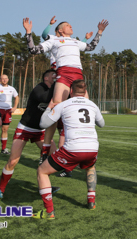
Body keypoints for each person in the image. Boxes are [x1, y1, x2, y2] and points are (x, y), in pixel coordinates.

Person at [23, 17, 108, 161]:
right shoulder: (54, 40)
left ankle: (85, 146)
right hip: (63, 74)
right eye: (68, 25)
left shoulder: (75, 41)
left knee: (86, 106)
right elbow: (33, 50)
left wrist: (99, 32)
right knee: (55, 108)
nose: (71, 26)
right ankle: (45, 152)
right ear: (61, 30)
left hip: (78, 75)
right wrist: (28, 32)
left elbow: (91, 47)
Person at [34, 79, 105, 219]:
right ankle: (91, 201)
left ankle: (49, 212)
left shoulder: (64, 104)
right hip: (92, 148)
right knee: (90, 167)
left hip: (73, 148)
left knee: (42, 171)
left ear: (71, 91)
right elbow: (101, 124)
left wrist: (49, 108)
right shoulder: (92, 105)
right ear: (85, 92)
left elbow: (43, 124)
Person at [0, 69, 59, 202]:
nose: (55, 76)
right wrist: (59, 84)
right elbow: (44, 98)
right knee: (13, 161)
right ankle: (0, 190)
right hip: (26, 128)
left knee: (54, 155)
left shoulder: (55, 90)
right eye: (52, 74)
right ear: (46, 77)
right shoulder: (39, 88)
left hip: (40, 130)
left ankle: (43, 185)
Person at [0, 74, 19, 156]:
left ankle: (4, 149)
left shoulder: (11, 89)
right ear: (0, 80)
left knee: (5, 130)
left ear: (8, 79)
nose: (4, 80)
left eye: (6, 78)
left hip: (8, 111)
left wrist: (15, 107)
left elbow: (16, 97)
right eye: (2, 79)